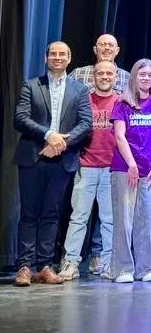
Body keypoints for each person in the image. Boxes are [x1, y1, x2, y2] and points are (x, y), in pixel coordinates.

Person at [13, 42, 92, 287]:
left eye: (62, 54)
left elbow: (85, 123)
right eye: (53, 54)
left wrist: (61, 143)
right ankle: (25, 266)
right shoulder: (31, 85)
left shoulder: (80, 89)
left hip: (62, 159)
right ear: (46, 58)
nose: (57, 57)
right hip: (33, 156)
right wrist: (49, 135)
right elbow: (20, 118)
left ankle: (45, 266)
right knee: (29, 213)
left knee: (51, 213)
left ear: (69, 58)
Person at [59, 61, 119, 281]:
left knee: (109, 220)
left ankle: (109, 262)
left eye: (109, 73)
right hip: (86, 166)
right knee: (78, 218)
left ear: (115, 77)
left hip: (112, 169)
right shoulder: (83, 100)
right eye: (100, 73)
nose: (104, 76)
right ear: (93, 77)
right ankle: (71, 262)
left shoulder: (121, 102)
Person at [109, 58, 151, 284]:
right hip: (125, 168)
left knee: (149, 220)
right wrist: (131, 164)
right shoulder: (122, 104)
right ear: (134, 76)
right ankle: (123, 269)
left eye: (150, 75)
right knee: (124, 221)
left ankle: (146, 268)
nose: (146, 78)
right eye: (142, 74)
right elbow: (119, 136)